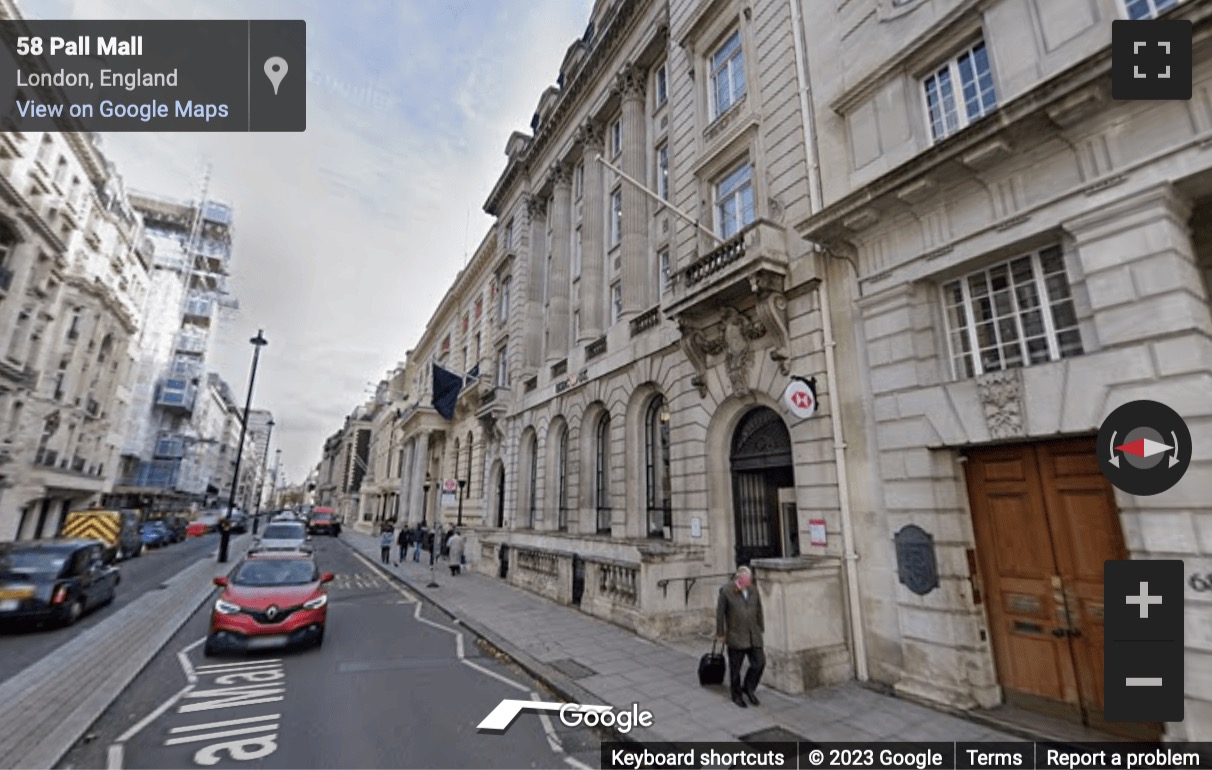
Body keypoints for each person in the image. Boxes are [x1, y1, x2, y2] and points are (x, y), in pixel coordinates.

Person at [716, 565, 764, 708]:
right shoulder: (726, 591)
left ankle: (749, 688)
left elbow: (759, 609)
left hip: (753, 634)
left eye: (749, 579)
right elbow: (720, 614)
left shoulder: (753, 590)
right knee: (735, 668)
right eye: (746, 579)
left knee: (759, 663)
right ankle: (736, 694)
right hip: (736, 635)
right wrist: (720, 633)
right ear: (738, 578)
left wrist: (760, 627)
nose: (748, 582)